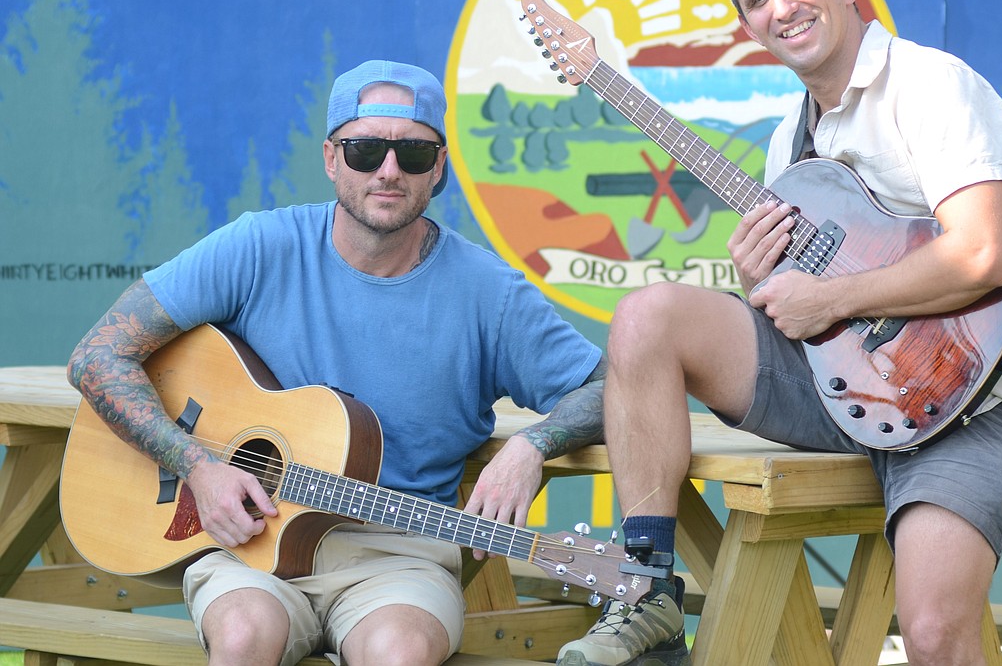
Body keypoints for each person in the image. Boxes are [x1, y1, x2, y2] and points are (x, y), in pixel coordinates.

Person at [556, 0, 1002, 666]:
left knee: (931, 634)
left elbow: (983, 256)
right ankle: (648, 591)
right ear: (747, 25)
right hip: (841, 384)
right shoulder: (792, 139)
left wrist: (832, 296)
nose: (780, 6)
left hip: (964, 403)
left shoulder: (933, 87)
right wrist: (760, 277)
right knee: (648, 316)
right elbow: (811, 302)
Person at [67, 60, 607, 666]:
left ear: (441, 170)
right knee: (245, 637)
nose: (388, 170)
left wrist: (532, 445)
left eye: (414, 155)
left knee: (397, 654)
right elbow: (97, 355)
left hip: (400, 559)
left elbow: (613, 388)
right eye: (364, 149)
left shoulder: (490, 294)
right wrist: (196, 464)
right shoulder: (258, 247)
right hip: (249, 544)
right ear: (330, 159)